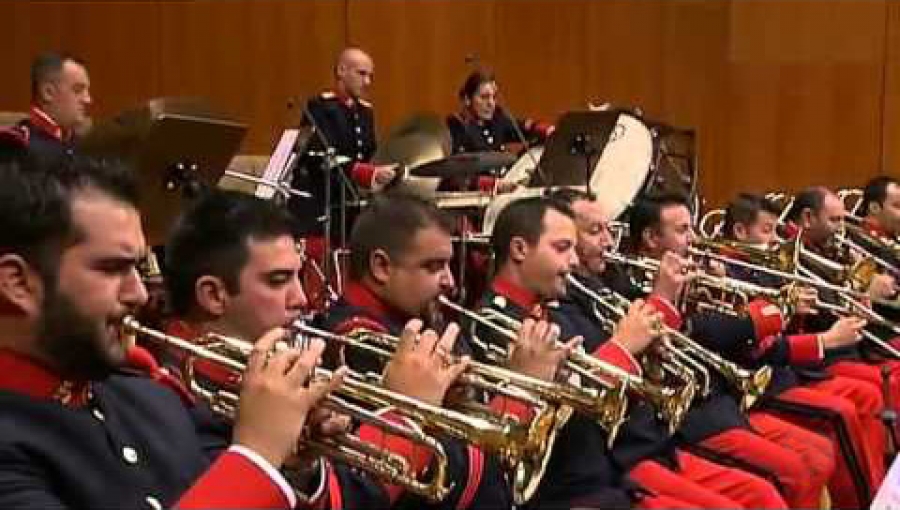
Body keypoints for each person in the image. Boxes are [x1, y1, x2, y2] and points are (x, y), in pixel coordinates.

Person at [0, 137, 341, 509]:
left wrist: (292, 465)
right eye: (113, 268)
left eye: (138, 268)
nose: (140, 295)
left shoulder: (150, 399)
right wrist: (256, 457)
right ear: (18, 283)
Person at [163, 189, 486, 508]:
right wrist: (406, 414)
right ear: (213, 295)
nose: (301, 299)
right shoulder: (170, 401)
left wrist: (304, 468)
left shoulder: (262, 375)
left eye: (298, 277)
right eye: (278, 280)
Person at [479, 194, 788, 509]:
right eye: (562, 248)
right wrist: (626, 344)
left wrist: (649, 351)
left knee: (765, 493)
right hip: (571, 486)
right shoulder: (493, 321)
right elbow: (554, 418)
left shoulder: (551, 305)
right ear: (519, 250)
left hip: (611, 464)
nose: (574, 261)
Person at [318, 192, 579, 510]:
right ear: (382, 267)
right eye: (434, 266)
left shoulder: (415, 322)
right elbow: (441, 469)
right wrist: (520, 388)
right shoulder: (356, 339)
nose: (450, 282)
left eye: (449, 265)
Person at [623, 192, 849, 508]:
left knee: (817, 455)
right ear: (649, 237)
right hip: (688, 417)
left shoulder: (697, 273)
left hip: (724, 398)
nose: (695, 239)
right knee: (793, 470)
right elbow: (698, 338)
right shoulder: (628, 287)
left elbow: (731, 336)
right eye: (683, 230)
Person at [720, 192, 891, 507]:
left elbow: (793, 325)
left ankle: (882, 492)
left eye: (775, 231)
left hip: (794, 366)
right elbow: (757, 346)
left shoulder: (766, 266)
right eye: (766, 231)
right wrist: (822, 338)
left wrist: (849, 300)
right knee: (843, 412)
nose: (775, 241)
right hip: (765, 379)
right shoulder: (728, 272)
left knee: (867, 394)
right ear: (740, 232)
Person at [289, 48, 396, 245]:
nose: (367, 82)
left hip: (350, 203)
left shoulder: (365, 111)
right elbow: (320, 157)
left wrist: (383, 172)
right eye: (361, 74)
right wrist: (364, 173)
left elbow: (369, 153)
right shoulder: (320, 107)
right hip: (321, 204)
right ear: (341, 71)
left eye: (370, 76)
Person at [446, 70, 552, 156]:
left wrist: (547, 130)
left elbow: (523, 128)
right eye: (484, 97)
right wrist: (493, 183)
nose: (491, 103)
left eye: (494, 97)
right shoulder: (457, 125)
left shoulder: (497, 118)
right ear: (467, 99)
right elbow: (459, 171)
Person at [19, 52, 92, 159]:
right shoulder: (17, 146)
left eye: (87, 91)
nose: (88, 100)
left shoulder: (85, 145)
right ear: (48, 92)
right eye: (78, 90)